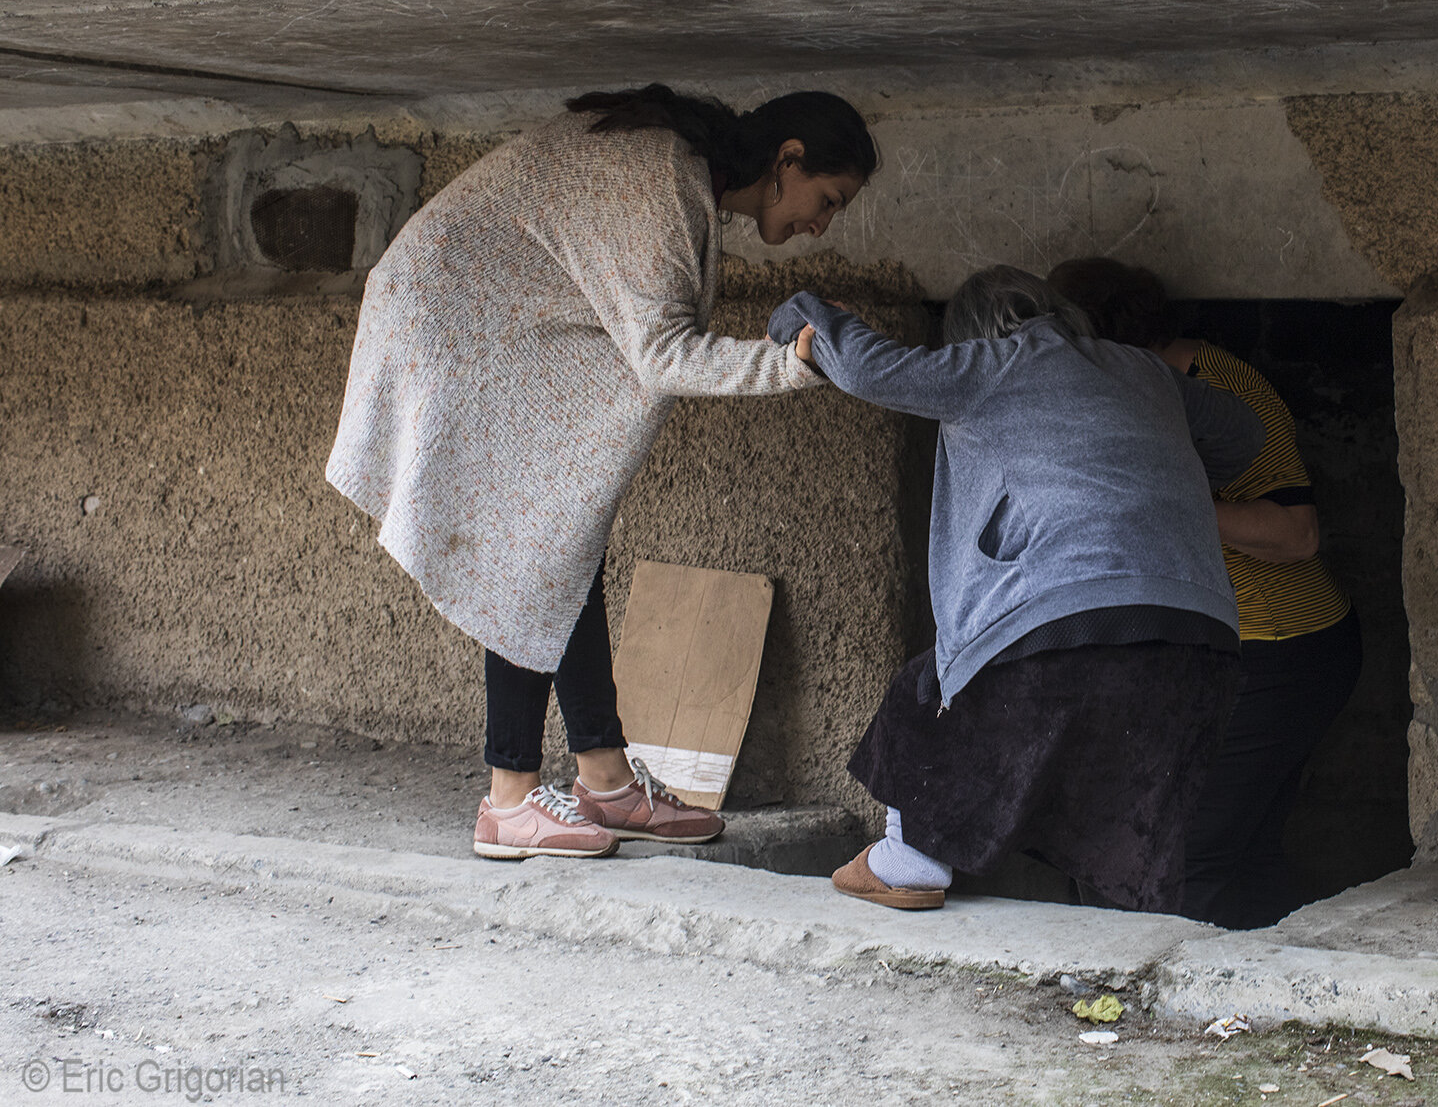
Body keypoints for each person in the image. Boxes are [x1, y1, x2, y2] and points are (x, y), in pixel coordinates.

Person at [326, 83, 877, 860]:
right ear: (788, 160)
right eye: (828, 197)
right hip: (452, 318)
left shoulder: (684, 175)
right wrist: (793, 362)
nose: (822, 223)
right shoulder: (664, 182)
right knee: (536, 540)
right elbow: (664, 355)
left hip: (491, 313)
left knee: (562, 530)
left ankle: (606, 780)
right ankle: (508, 800)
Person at [767, 265, 1265, 913]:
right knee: (1127, 821)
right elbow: (1245, 434)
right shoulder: (1144, 371)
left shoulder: (992, 363)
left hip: (1061, 623)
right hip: (1201, 641)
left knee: (923, 691)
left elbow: (871, 367)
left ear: (972, 332)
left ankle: (910, 860)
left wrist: (806, 313)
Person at [1047, 257, 1363, 929]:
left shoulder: (1214, 385)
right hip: (1217, 654)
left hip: (1277, 652)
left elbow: (1298, 531)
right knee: (1240, 850)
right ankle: (1262, 991)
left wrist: (1172, 495)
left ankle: (1197, 1004)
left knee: (1190, 850)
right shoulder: (1119, 391)